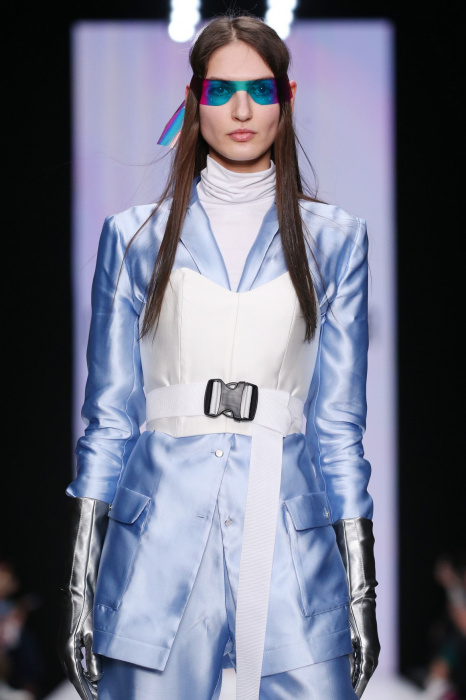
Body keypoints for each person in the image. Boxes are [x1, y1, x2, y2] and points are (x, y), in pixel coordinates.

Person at [58, 14, 380, 700]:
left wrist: (361, 589)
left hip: (289, 545)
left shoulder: (336, 240)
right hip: (157, 547)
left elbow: (338, 428)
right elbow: (109, 420)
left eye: (261, 91)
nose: (241, 110)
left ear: (287, 98)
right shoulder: (134, 237)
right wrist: (81, 584)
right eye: (221, 90)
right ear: (193, 98)